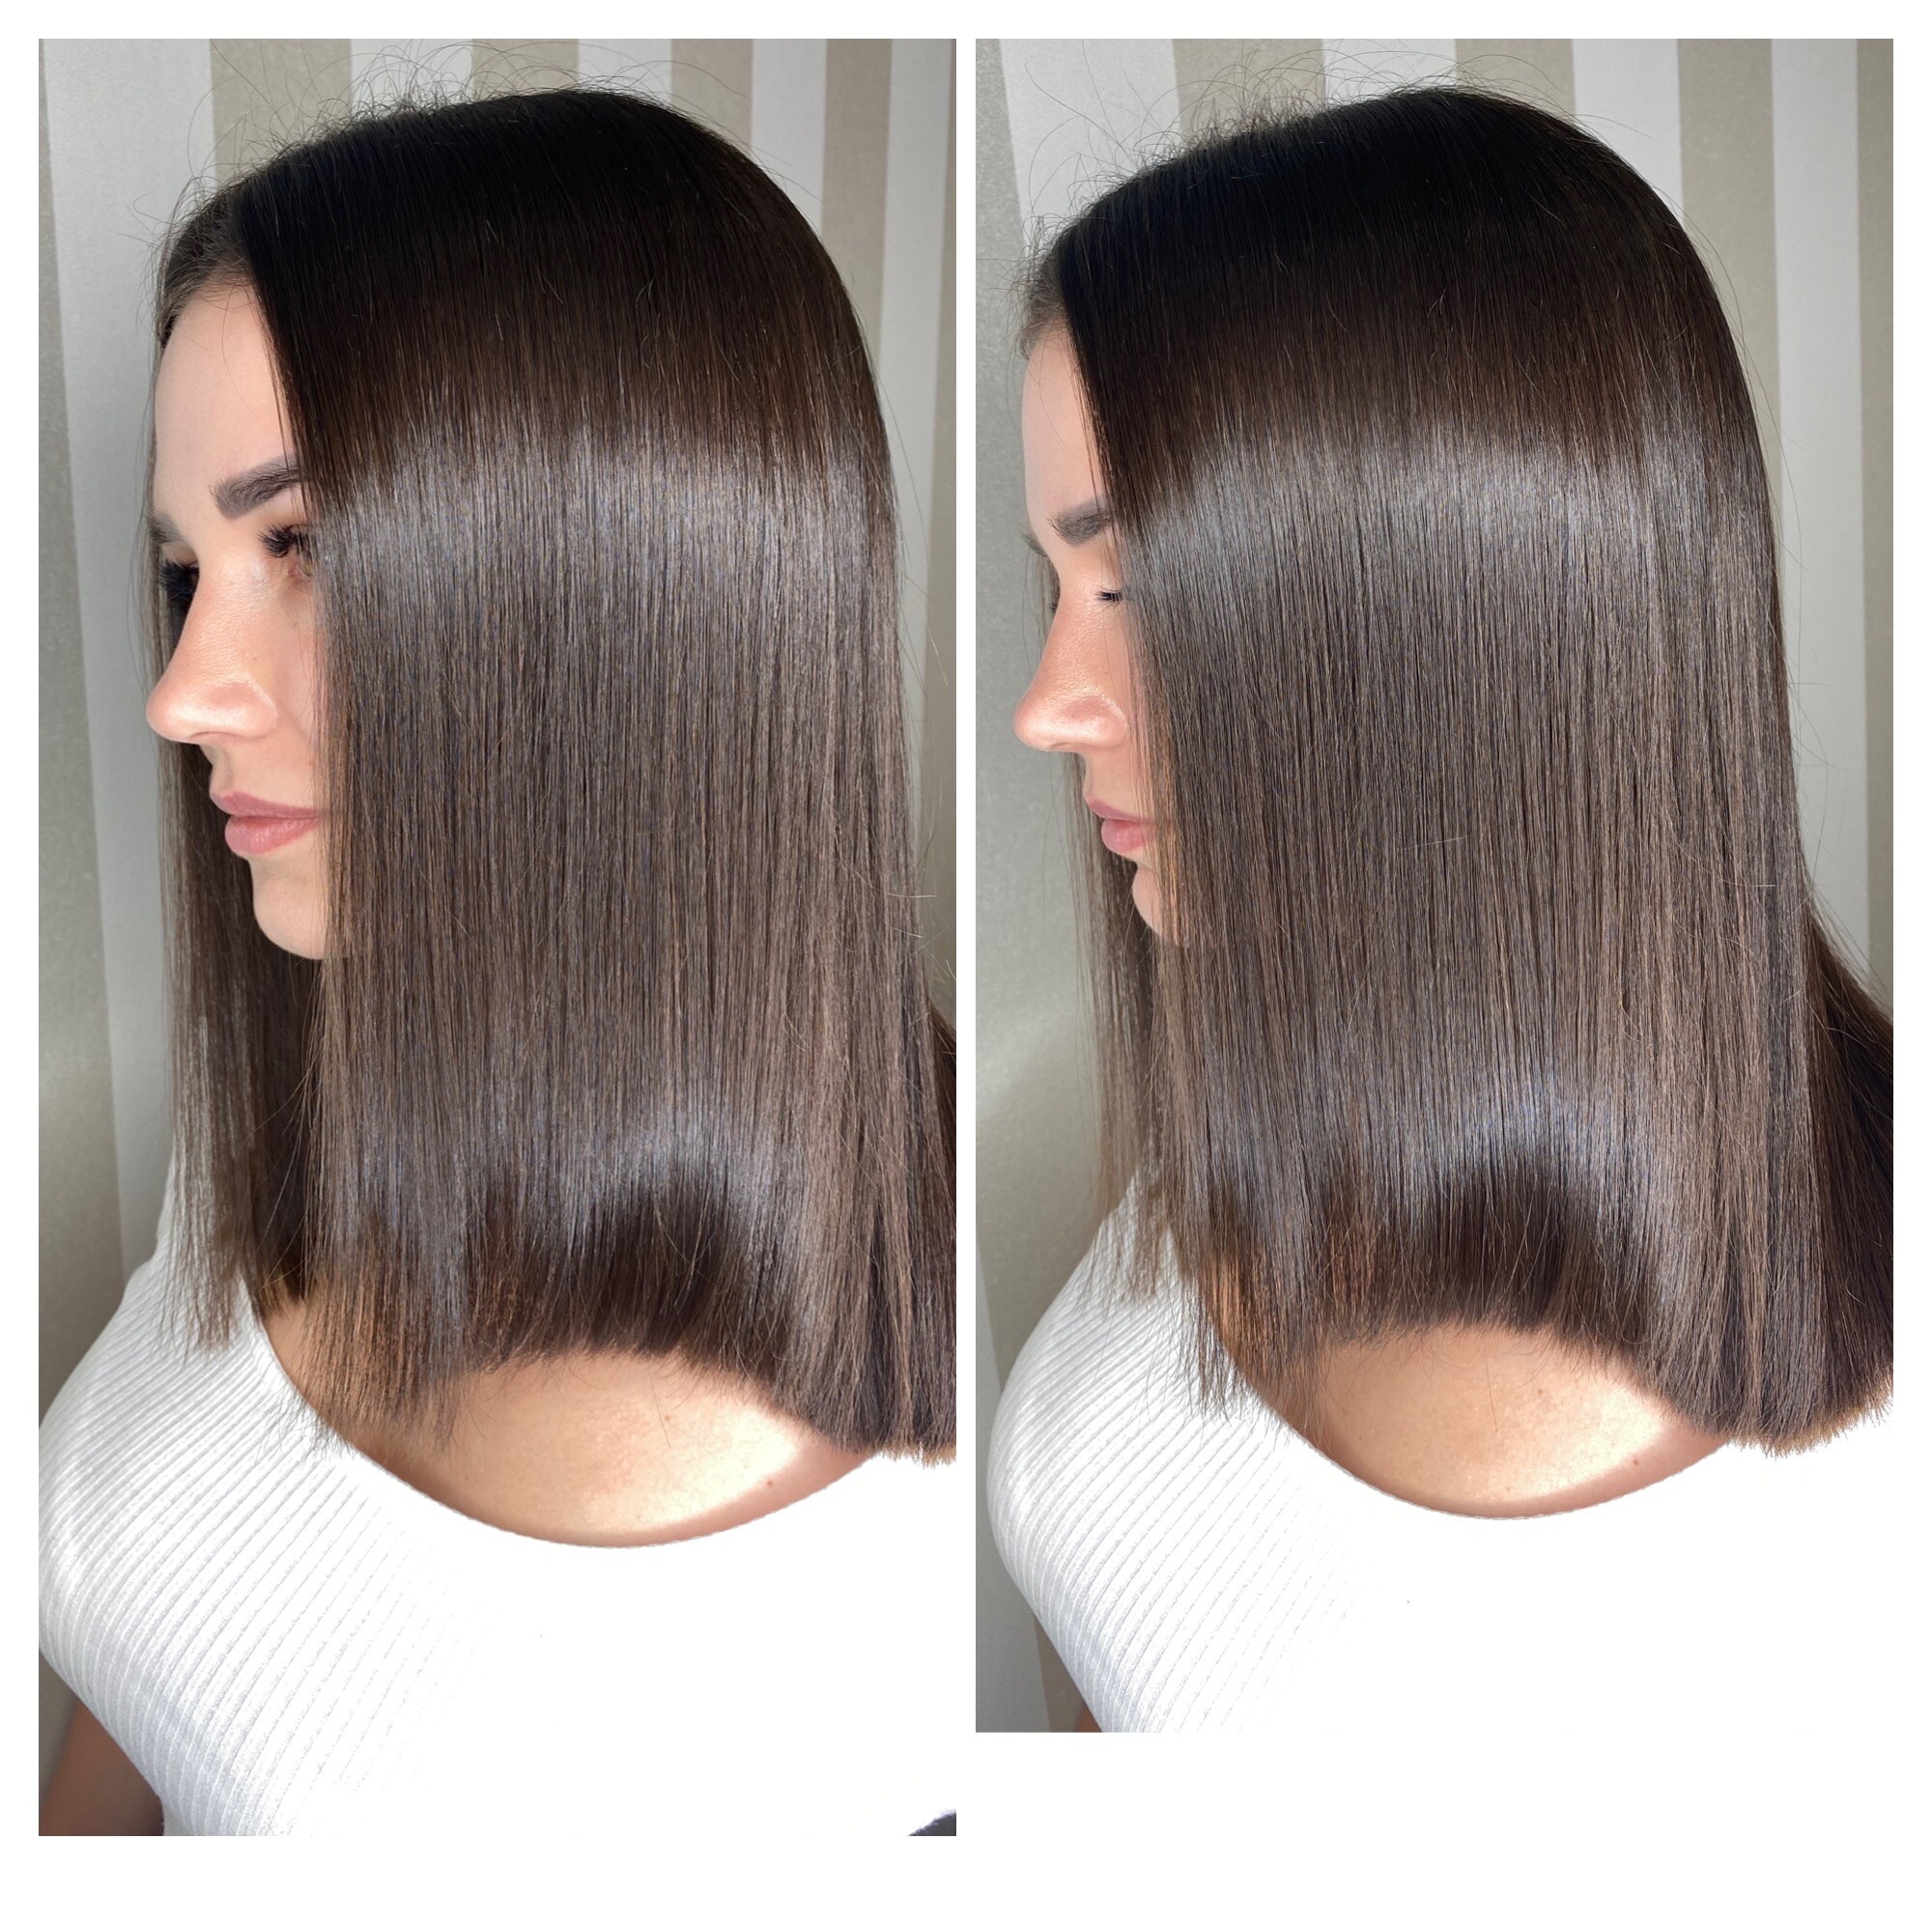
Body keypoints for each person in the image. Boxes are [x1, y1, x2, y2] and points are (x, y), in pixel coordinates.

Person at [41, 86, 956, 1833]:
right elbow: (144, 1663)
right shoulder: (315, 1068)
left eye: (300, 546)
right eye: (186, 570)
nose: (180, 695)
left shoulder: (842, 1647)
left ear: (639, 599)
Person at [988, 85, 1891, 1733]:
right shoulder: (1293, 1082)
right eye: (1062, 590)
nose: (1048, 707)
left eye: (1136, 587)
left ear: (1472, 621)